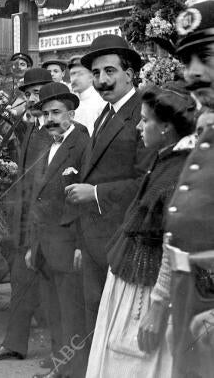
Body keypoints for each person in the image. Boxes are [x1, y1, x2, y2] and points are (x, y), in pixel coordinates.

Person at [86, 83, 195, 378]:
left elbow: (178, 247)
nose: (138, 127)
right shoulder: (164, 161)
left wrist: (158, 309)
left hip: (148, 293)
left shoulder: (178, 174)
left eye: (145, 120)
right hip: (132, 283)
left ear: (167, 128)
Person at [65, 35, 155, 359]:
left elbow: (148, 183)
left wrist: (96, 193)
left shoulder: (143, 114)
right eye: (97, 73)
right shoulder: (104, 114)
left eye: (110, 71)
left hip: (124, 241)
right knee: (95, 324)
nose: (102, 80)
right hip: (94, 241)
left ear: (130, 73)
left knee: (118, 329)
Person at [155, 0, 214, 378]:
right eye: (187, 60)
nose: (193, 73)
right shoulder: (204, 128)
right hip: (189, 296)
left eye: (206, 56)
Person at [0, 68, 54, 363]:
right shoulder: (33, 126)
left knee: (55, 290)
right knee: (22, 286)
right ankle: (14, 344)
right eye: (28, 93)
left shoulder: (57, 129)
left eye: (38, 92)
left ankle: (63, 353)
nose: (33, 98)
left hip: (48, 224)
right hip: (25, 223)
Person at [25, 82, 89, 378]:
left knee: (71, 313)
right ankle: (58, 365)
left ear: (71, 113)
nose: (49, 119)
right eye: (45, 113)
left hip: (68, 242)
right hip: (44, 243)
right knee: (53, 311)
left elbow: (84, 201)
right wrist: (31, 245)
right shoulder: (46, 144)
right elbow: (36, 198)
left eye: (56, 112)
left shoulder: (82, 143)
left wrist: (80, 245)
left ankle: (73, 371)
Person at [68, 56, 106, 135]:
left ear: (91, 76)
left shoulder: (101, 102)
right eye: (72, 74)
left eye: (80, 74)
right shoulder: (71, 104)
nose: (74, 79)